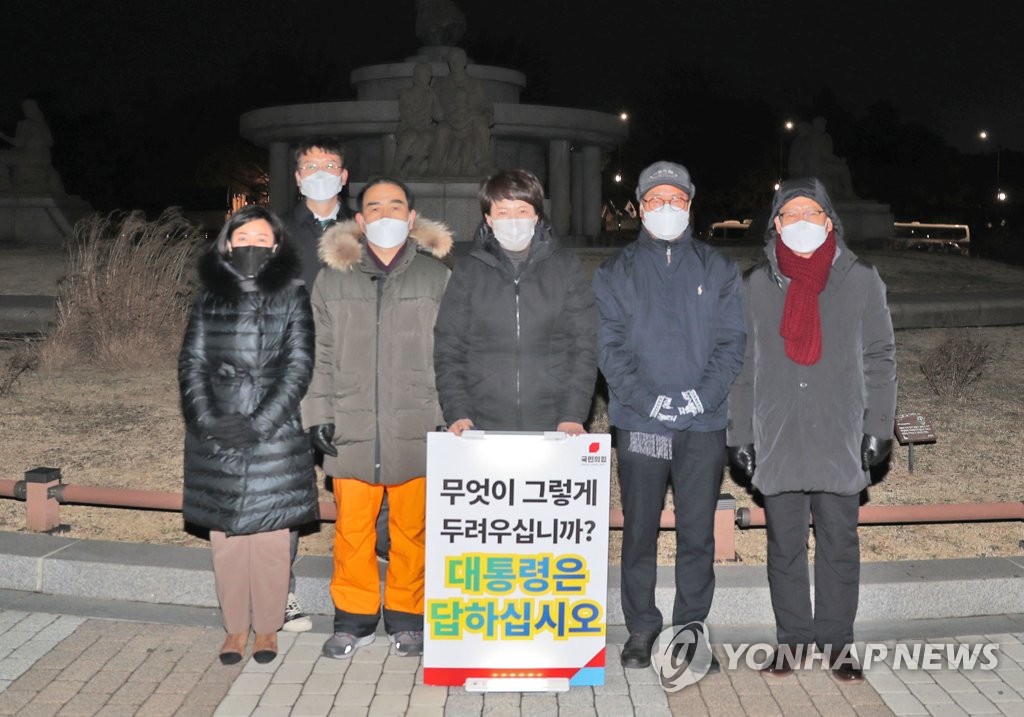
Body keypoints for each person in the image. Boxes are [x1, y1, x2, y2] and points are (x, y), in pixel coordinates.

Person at [727, 177, 896, 682]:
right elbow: (742, 365)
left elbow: (880, 356)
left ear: (829, 221)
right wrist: (739, 433)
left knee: (839, 543)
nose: (801, 224)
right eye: (790, 215)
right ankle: (793, 641)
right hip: (778, 434)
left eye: (811, 214)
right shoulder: (756, 284)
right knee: (784, 546)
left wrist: (879, 425)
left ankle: (838, 644)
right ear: (775, 224)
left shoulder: (861, 279)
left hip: (839, 433)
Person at [593, 161, 746, 670]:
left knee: (697, 531)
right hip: (643, 424)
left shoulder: (717, 269)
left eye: (675, 200)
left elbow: (731, 342)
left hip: (701, 425)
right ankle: (641, 626)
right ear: (639, 206)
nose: (666, 208)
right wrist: (646, 400)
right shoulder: (614, 272)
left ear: (690, 204)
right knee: (639, 528)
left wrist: (701, 398)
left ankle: (691, 627)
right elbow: (610, 349)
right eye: (655, 200)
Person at [302, 178, 452, 659]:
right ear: (360, 220)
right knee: (353, 529)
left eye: (396, 207)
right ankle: (355, 617)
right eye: (374, 208)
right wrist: (317, 413)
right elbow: (319, 353)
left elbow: (453, 353)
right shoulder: (333, 279)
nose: (386, 216)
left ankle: (408, 617)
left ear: (411, 217)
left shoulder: (437, 277)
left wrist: (451, 416)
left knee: (413, 530)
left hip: (417, 421)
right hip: (352, 422)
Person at [178, 205, 318, 665]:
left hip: (274, 432)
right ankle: (234, 629)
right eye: (244, 237)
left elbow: (299, 365)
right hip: (217, 430)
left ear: (276, 246)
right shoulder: (209, 297)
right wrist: (209, 419)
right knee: (228, 540)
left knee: (273, 539)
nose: (253, 245)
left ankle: (268, 630)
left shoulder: (293, 293)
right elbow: (192, 363)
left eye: (262, 238)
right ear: (228, 243)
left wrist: (259, 423)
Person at [434, 169, 597, 436]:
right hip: (481, 420)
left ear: (536, 215)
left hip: (553, 420)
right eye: (502, 212)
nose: (513, 220)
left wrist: (573, 414)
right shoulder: (469, 271)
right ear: (488, 218)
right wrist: (457, 410)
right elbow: (449, 346)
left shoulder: (565, 267)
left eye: (522, 211)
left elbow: (584, 345)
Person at [279, 137, 351, 633]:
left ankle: (370, 596)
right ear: (298, 177)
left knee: (369, 488)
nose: (320, 171)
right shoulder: (276, 231)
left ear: (344, 176)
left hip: (357, 373)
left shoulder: (371, 226)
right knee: (287, 484)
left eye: (329, 165)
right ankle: (279, 592)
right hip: (294, 373)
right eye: (310, 165)